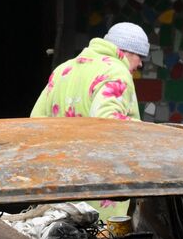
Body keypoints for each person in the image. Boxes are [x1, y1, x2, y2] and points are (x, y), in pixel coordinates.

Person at [30, 21, 150, 219]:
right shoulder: (116, 72)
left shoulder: (63, 70)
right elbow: (108, 124)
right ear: (127, 52)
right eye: (140, 57)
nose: (140, 64)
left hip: (58, 187)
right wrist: (148, 133)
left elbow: (35, 122)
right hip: (97, 191)